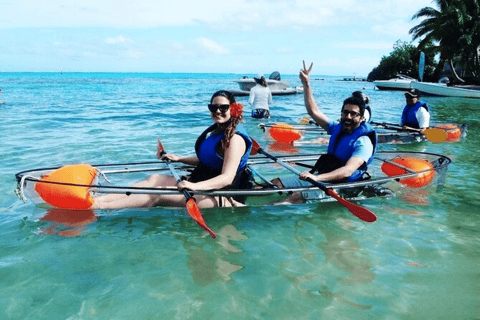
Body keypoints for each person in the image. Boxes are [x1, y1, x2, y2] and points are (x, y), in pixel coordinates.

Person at [93, 90, 253, 209]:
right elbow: (211, 159)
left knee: (158, 194)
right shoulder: (219, 131)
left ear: (233, 109)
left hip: (220, 195)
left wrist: (195, 187)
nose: (218, 111)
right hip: (201, 182)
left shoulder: (235, 139)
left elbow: (226, 178)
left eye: (223, 107)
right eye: (213, 107)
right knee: (155, 179)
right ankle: (101, 199)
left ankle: (97, 206)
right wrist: (179, 158)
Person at [273, 61, 377, 202]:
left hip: (341, 185)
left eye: (353, 114)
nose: (348, 117)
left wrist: (316, 177)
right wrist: (306, 85)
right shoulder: (336, 128)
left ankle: (256, 215)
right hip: (323, 177)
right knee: (275, 183)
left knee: (296, 197)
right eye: (345, 112)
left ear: (362, 118)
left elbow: (348, 171)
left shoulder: (363, 142)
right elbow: (313, 111)